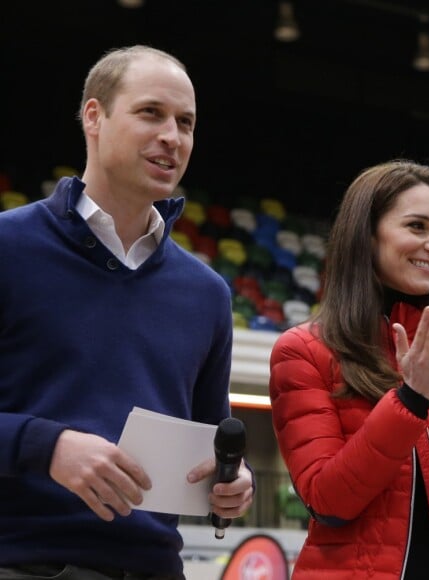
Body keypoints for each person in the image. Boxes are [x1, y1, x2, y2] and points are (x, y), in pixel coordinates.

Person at [0, 45, 254, 579]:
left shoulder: (206, 293)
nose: (173, 136)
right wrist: (48, 447)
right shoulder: (8, 248)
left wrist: (229, 483)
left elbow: (206, 449)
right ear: (94, 116)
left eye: (185, 122)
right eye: (151, 113)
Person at [269, 159, 429, 579]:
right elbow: (328, 501)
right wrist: (411, 399)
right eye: (417, 226)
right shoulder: (303, 351)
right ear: (365, 236)